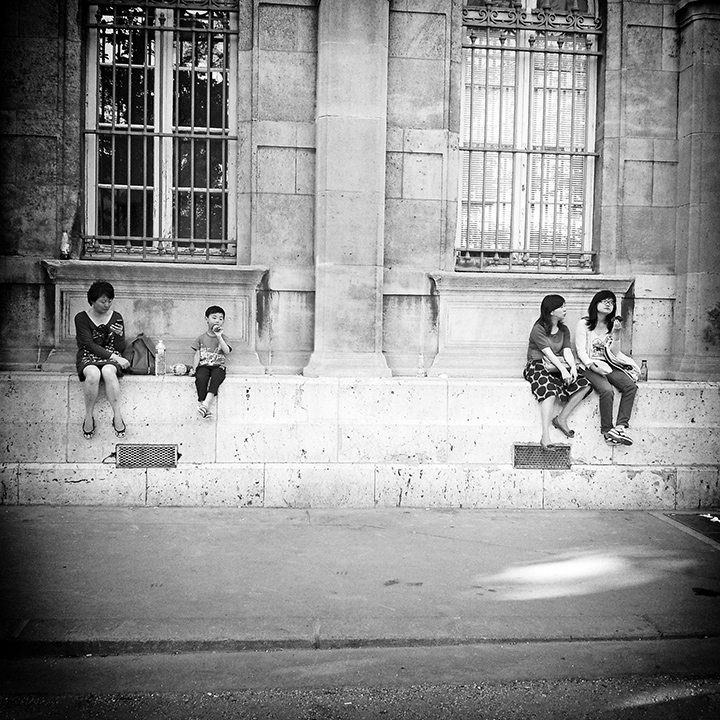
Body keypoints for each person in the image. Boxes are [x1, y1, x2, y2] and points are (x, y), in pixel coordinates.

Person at [523, 294, 592, 450]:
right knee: (550, 390)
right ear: (551, 311)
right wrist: (563, 370)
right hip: (537, 365)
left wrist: (573, 368)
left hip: (557, 365)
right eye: (561, 307)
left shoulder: (563, 329)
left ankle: (561, 418)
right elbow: (548, 353)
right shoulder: (538, 329)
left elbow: (567, 350)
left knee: (585, 384)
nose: (565, 309)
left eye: (564, 306)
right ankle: (545, 436)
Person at [575, 290, 638, 446]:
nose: (609, 304)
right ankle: (607, 430)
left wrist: (616, 333)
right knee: (606, 390)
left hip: (608, 364)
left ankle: (621, 427)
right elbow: (580, 351)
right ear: (595, 303)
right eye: (604, 301)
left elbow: (615, 352)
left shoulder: (612, 326)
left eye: (611, 302)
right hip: (588, 365)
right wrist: (593, 367)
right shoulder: (583, 324)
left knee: (630, 387)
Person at [75, 280, 130, 439]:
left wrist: (119, 335)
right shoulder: (82, 318)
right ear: (92, 301)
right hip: (88, 356)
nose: (107, 305)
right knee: (93, 374)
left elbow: (119, 347)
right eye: (103, 301)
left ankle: (117, 414)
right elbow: (89, 345)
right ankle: (88, 415)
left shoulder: (116, 316)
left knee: (108, 371)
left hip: (111, 356)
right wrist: (117, 358)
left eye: (110, 301)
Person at [191, 305, 233, 418]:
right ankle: (203, 405)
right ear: (206, 319)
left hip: (218, 366)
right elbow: (197, 354)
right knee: (201, 377)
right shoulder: (201, 338)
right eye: (214, 317)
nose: (217, 321)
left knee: (217, 377)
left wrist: (219, 337)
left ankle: (205, 404)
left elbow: (227, 351)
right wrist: (194, 368)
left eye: (221, 318)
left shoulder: (224, 337)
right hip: (204, 365)